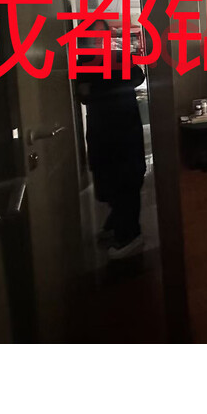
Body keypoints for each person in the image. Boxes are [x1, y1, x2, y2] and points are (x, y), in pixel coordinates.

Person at [76, 19, 147, 259]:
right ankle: (115, 224)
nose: (99, 40)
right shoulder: (83, 62)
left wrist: (101, 85)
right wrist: (111, 82)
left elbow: (138, 77)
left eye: (102, 35)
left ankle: (132, 234)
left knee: (128, 180)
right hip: (101, 130)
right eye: (93, 36)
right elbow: (83, 95)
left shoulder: (119, 56)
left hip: (126, 127)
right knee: (109, 180)